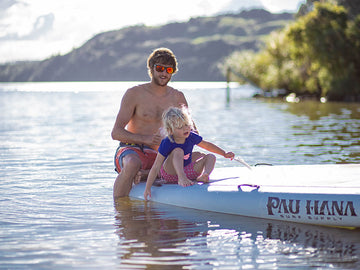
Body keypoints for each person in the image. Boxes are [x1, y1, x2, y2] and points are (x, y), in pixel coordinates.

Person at [111, 48, 193, 199]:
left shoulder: (178, 97)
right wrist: (145, 139)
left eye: (169, 70)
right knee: (132, 164)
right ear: (151, 69)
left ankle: (145, 175)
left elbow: (192, 132)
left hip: (161, 154)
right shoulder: (134, 93)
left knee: (189, 158)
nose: (164, 73)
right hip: (134, 150)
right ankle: (121, 214)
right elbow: (116, 132)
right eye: (160, 68)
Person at [144, 106, 235, 200]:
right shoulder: (167, 141)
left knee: (210, 156)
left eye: (186, 125)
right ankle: (181, 177)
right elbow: (156, 166)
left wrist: (224, 153)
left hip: (188, 172)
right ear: (170, 130)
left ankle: (204, 175)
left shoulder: (191, 136)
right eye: (180, 127)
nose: (185, 129)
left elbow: (207, 145)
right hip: (170, 173)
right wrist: (147, 188)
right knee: (178, 151)